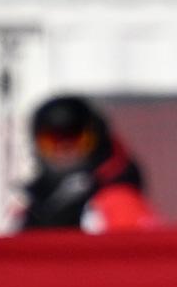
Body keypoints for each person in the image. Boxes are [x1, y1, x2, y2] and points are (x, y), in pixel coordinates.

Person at [16, 95, 158, 233]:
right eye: (52, 141)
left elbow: (145, 251)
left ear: (96, 141)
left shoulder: (117, 203)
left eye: (76, 139)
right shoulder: (29, 212)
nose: (65, 150)